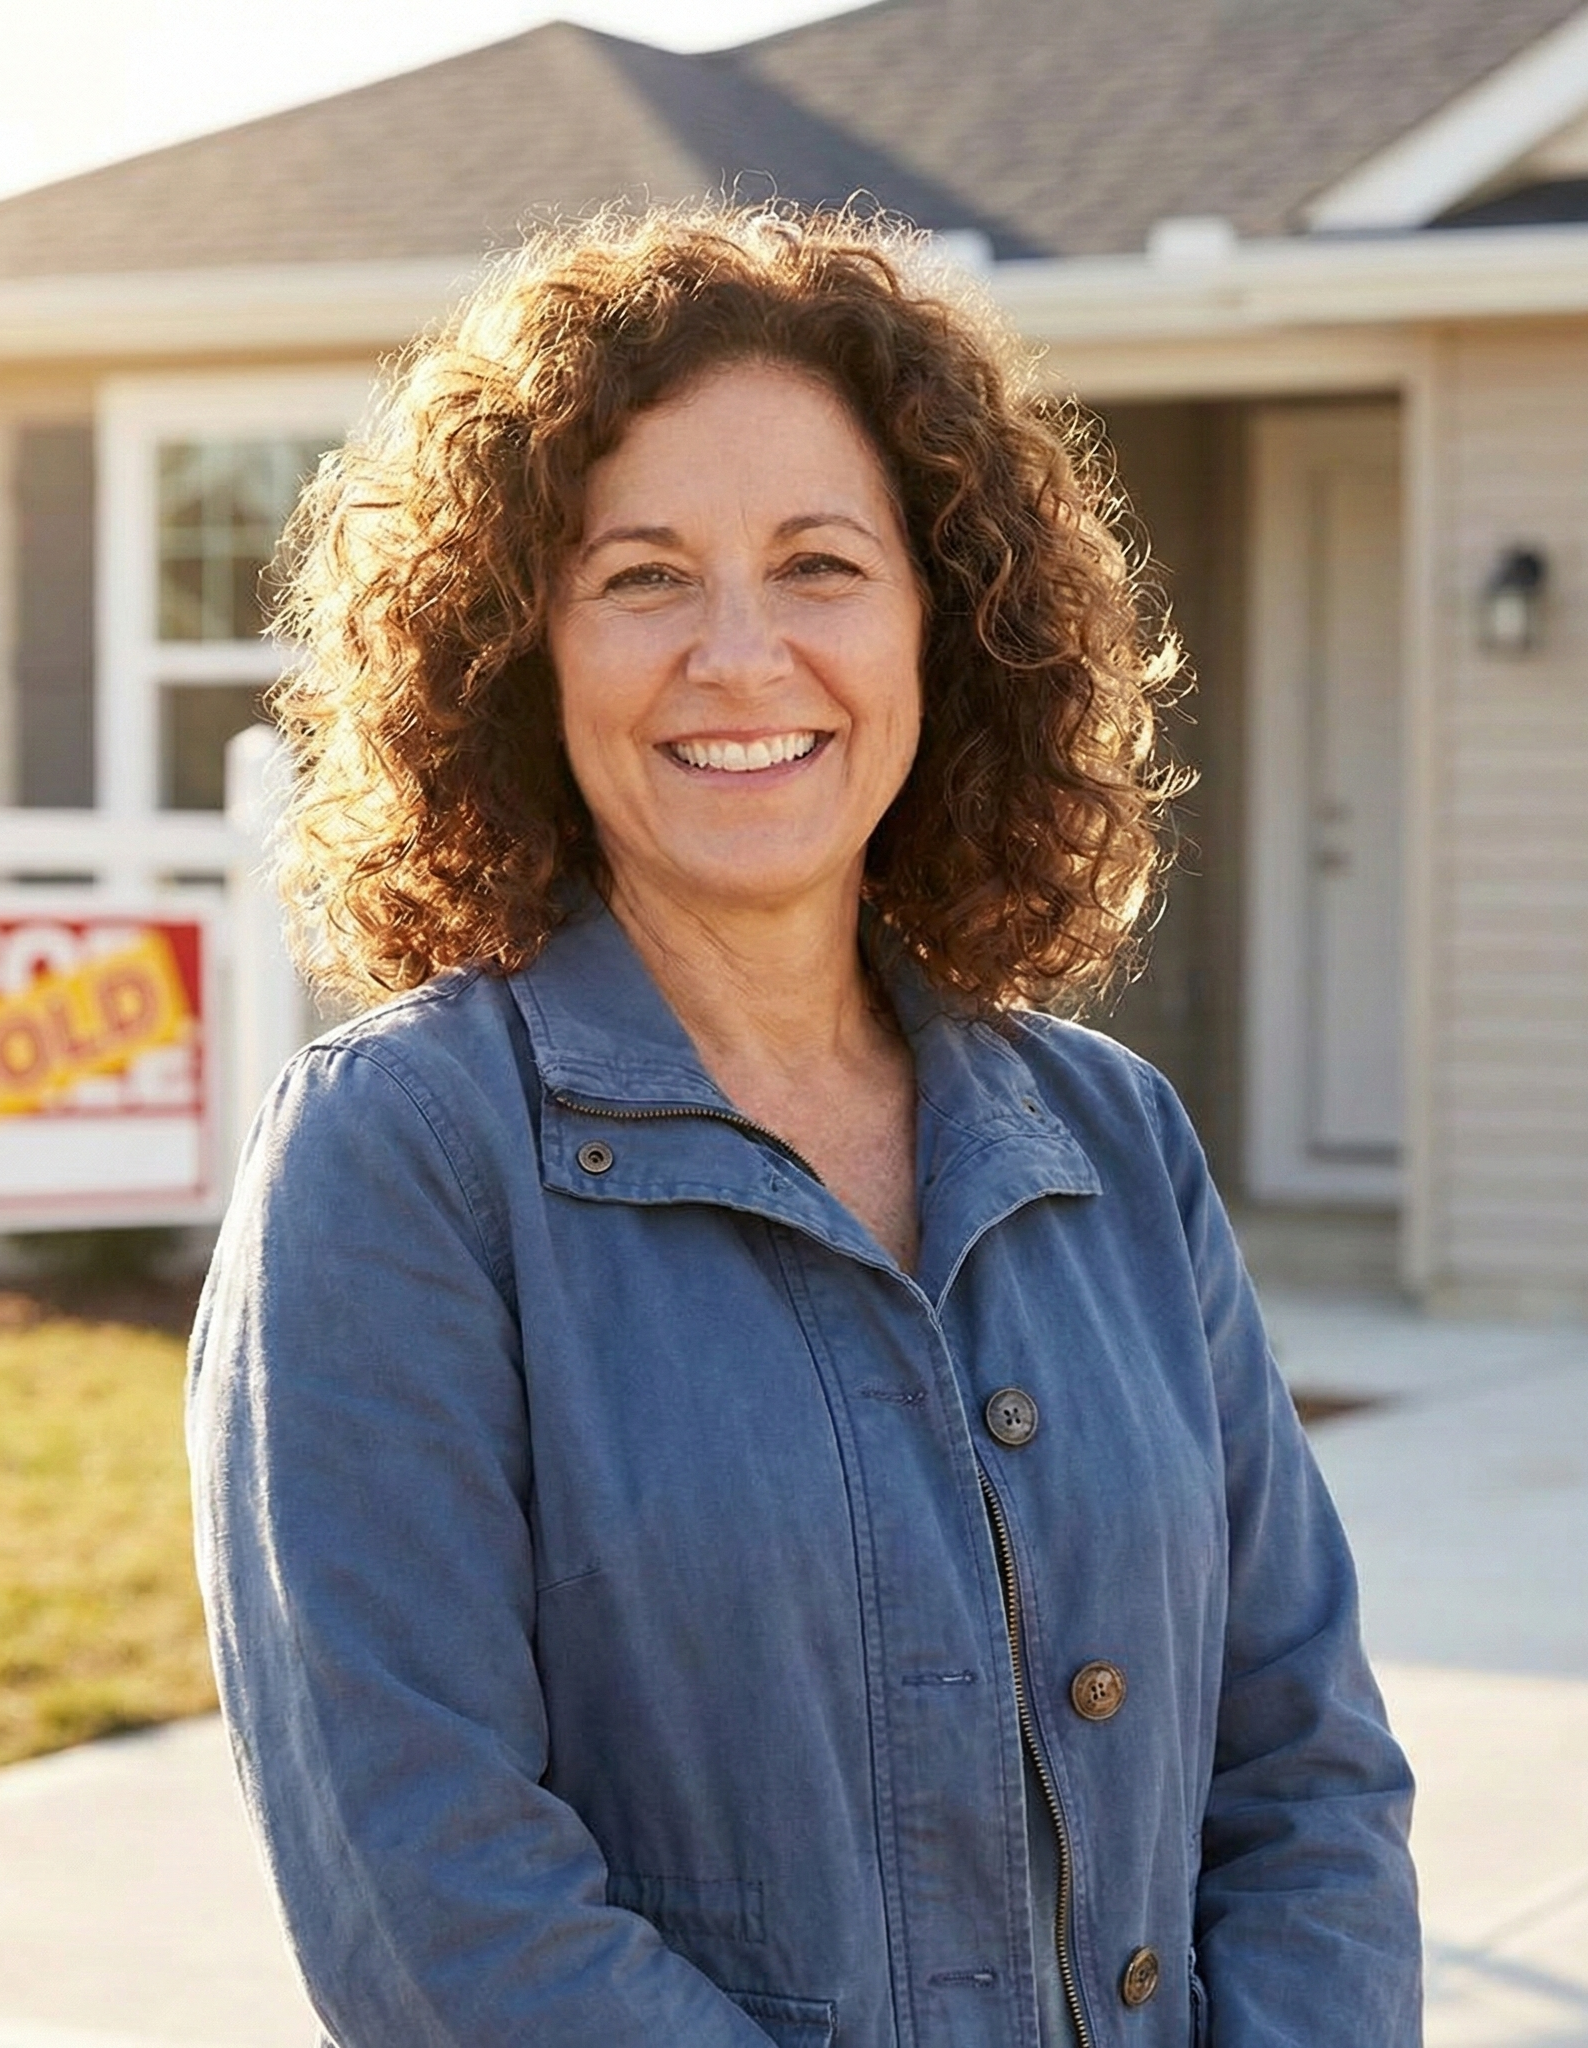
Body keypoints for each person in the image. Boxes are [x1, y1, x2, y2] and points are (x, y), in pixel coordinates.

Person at [187, 205, 1421, 2048]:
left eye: (822, 564)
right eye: (643, 578)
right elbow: (432, 1884)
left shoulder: (1110, 1138)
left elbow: (1304, 1767)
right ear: (520, 651)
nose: (744, 657)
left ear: (949, 624)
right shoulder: (401, 1160)